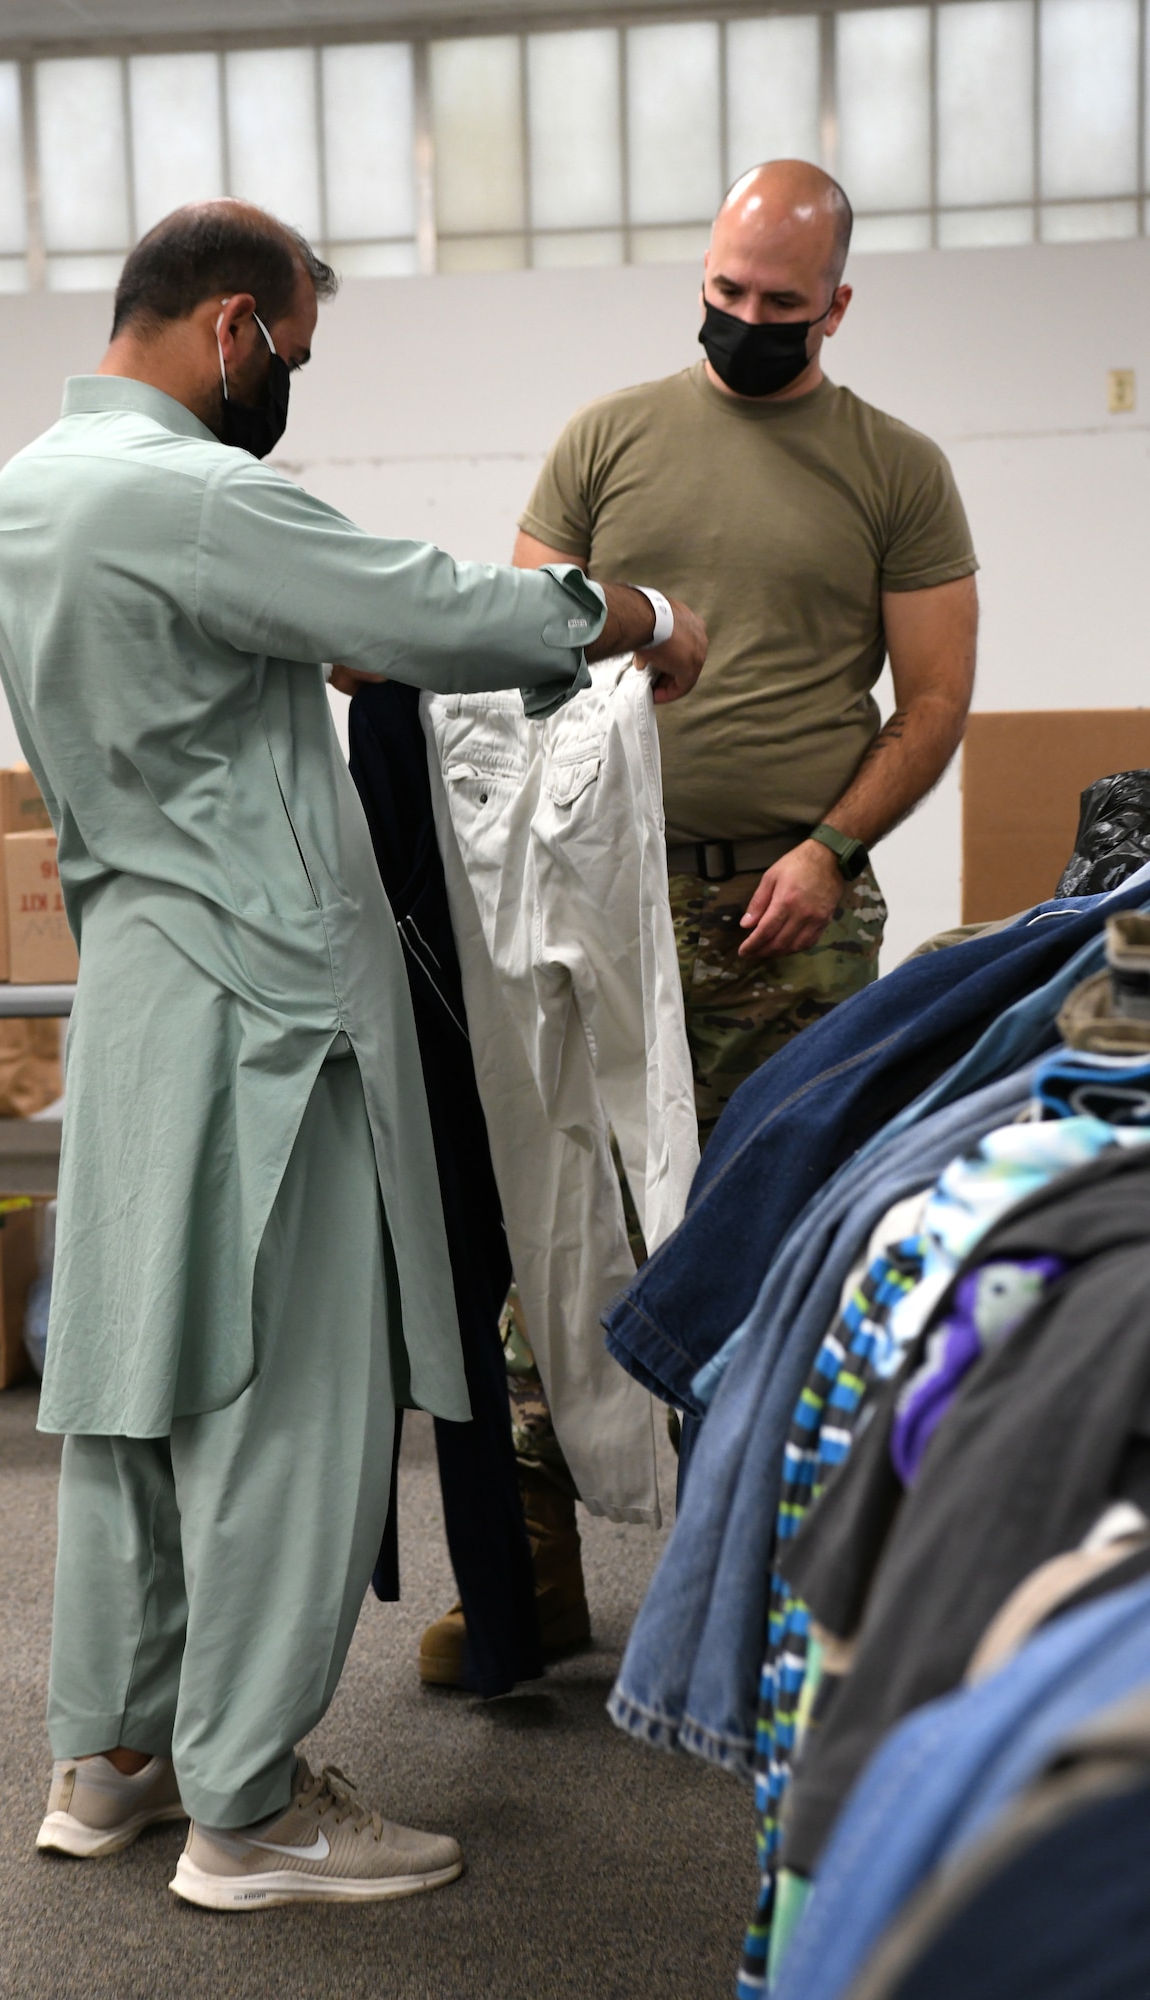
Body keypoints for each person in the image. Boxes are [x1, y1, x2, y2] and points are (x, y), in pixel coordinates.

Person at [0, 198, 705, 1914]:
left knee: (129, 1389)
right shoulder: (201, 495)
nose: (286, 380)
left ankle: (113, 1758)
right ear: (232, 328)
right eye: (291, 353)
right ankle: (248, 1810)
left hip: (143, 987)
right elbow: (430, 604)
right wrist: (631, 616)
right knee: (286, 1405)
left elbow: (323, 636)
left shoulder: (29, 499)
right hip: (273, 1018)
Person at [420, 159, 979, 1680]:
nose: (741, 321)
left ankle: (772, 1598)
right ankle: (527, 1594)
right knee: (564, 1228)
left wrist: (826, 849)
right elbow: (518, 661)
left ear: (836, 306)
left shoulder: (895, 469)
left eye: (777, 304)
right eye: (724, 293)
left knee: (782, 1238)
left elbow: (930, 701)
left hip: (787, 918)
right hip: (600, 902)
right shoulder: (606, 440)